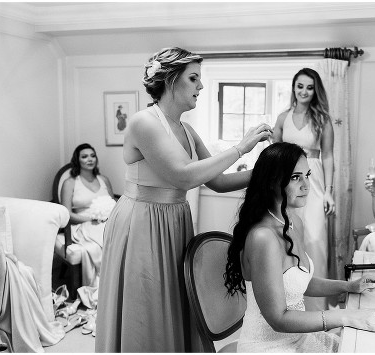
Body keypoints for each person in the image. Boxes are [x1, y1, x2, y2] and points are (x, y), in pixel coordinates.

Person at [95, 47, 272, 352]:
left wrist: (268, 173)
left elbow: (216, 182)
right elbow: (185, 176)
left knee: (176, 299)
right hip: (142, 223)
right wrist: (241, 148)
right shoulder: (143, 122)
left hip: (175, 219)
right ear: (171, 80)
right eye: (194, 79)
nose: (201, 87)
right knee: (147, 302)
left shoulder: (187, 130)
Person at [224, 142, 375, 352]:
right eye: (295, 177)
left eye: (307, 175)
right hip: (269, 347)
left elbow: (300, 283)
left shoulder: (293, 222)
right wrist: (344, 316)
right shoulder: (263, 237)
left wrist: (348, 286)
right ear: (272, 181)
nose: (306, 185)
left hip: (300, 339)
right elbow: (278, 319)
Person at [272, 68, 335, 310]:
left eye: (309, 87)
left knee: (315, 237)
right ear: (293, 88)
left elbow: (328, 156)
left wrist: (329, 191)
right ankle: (289, 299)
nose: (304, 91)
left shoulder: (322, 119)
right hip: (287, 180)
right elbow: (274, 152)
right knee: (288, 235)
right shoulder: (283, 117)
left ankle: (317, 306)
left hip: (314, 178)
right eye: (300, 86)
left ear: (315, 90)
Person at [60, 143, 116, 287]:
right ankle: (106, 284)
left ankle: (121, 278)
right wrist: (93, 218)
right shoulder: (70, 182)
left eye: (92, 155)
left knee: (122, 234)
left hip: (106, 221)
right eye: (84, 156)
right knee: (107, 235)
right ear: (77, 160)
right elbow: (66, 214)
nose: (90, 159)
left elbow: (113, 203)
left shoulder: (104, 179)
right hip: (81, 224)